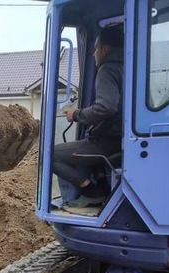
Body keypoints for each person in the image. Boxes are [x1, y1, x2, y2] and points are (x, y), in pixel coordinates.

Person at [54, 25, 124, 207]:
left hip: (107, 141)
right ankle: (100, 185)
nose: (93, 54)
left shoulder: (107, 70)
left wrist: (76, 114)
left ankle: (90, 191)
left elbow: (106, 108)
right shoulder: (131, 69)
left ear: (105, 49)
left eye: (95, 49)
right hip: (121, 139)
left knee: (50, 155)